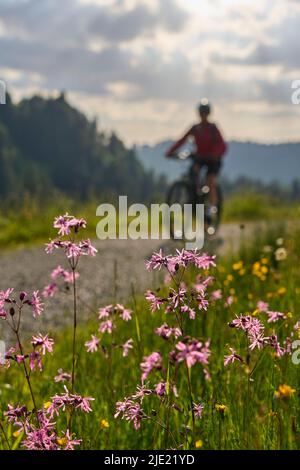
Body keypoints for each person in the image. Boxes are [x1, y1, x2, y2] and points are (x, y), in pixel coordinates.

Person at [165, 99, 227, 212]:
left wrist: (216, 154)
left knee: (211, 180)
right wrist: (170, 151)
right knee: (193, 173)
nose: (203, 115)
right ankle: (193, 196)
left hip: (213, 159)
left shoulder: (213, 128)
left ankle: (211, 207)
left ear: (208, 114)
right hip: (200, 157)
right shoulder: (195, 128)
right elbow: (182, 140)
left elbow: (223, 145)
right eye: (201, 113)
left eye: (205, 113)